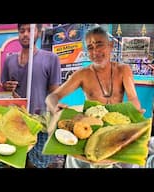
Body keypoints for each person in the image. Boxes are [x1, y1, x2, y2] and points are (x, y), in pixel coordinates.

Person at [45, 26, 145, 168]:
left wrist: (135, 111)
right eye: (90, 47)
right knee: (74, 162)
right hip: (90, 132)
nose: (95, 51)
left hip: (117, 130)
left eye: (99, 45)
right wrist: (54, 106)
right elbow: (52, 97)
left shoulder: (124, 70)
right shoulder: (82, 74)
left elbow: (133, 98)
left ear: (111, 46)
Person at [1, 24, 62, 168]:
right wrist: (7, 88)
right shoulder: (9, 61)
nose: (25, 34)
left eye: (30, 30)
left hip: (40, 124)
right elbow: (3, 88)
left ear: (39, 33)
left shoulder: (51, 59)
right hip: (15, 121)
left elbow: (55, 93)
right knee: (14, 161)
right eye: (22, 31)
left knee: (36, 164)